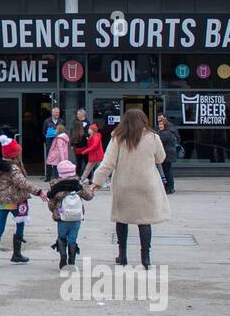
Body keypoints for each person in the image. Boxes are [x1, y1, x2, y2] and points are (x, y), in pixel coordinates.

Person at [90, 107, 169, 268]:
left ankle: (122, 255)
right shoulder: (153, 137)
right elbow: (161, 158)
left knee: (122, 219)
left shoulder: (118, 138)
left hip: (124, 185)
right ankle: (145, 258)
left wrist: (97, 181)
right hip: (146, 184)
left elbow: (108, 163)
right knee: (144, 221)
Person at [0, 134, 45, 267]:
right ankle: (16, 254)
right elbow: (22, 183)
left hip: (1, 201)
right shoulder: (13, 168)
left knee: (0, 227)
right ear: (14, 154)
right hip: (15, 201)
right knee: (20, 223)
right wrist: (38, 192)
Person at [47, 158, 92, 270]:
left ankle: (63, 256)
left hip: (62, 217)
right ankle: (71, 261)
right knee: (73, 238)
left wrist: (55, 211)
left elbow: (51, 203)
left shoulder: (56, 187)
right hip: (76, 217)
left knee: (62, 237)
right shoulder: (78, 185)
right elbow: (88, 196)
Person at [156, 114, 180, 194]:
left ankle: (169, 188)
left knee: (167, 172)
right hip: (169, 155)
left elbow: (159, 143)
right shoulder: (166, 132)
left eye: (161, 124)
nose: (160, 126)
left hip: (167, 155)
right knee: (168, 171)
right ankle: (170, 188)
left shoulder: (165, 133)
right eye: (159, 124)